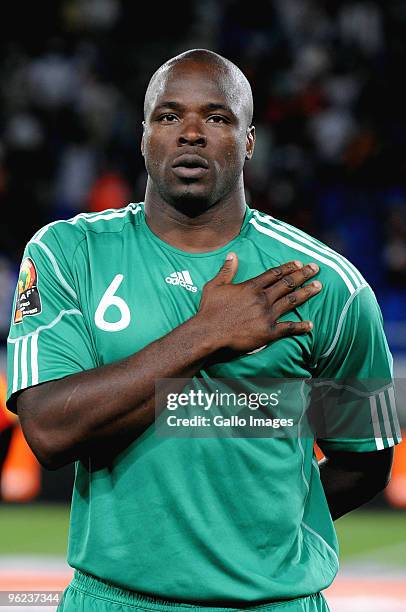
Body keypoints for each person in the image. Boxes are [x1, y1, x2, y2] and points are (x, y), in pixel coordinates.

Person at [7, 49, 401, 612]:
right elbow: (46, 432)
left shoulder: (333, 285)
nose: (190, 133)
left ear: (248, 140)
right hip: (113, 599)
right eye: (168, 116)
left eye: (217, 118)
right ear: (143, 134)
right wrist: (205, 334)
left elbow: (368, 459)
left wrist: (258, 533)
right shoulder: (70, 253)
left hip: (274, 603)